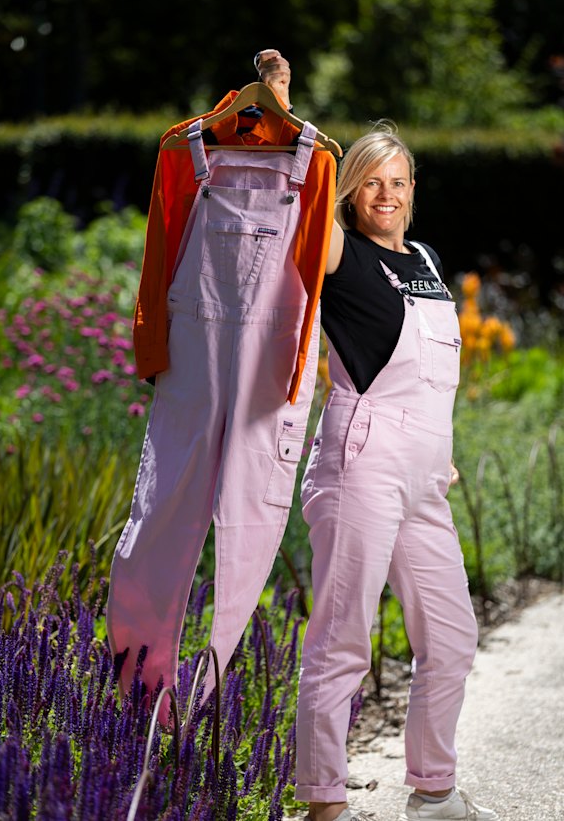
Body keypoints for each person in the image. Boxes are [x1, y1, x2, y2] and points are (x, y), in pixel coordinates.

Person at [257, 50, 498, 821]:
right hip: (360, 464)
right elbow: (301, 200)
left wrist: (439, 454)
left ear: (412, 190)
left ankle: (434, 792)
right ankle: (324, 802)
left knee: (452, 637)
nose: (386, 195)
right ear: (351, 192)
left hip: (424, 477)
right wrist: (283, 112)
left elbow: (430, 375)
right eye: (371, 183)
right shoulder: (340, 252)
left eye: (398, 182)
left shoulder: (426, 259)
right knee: (342, 640)